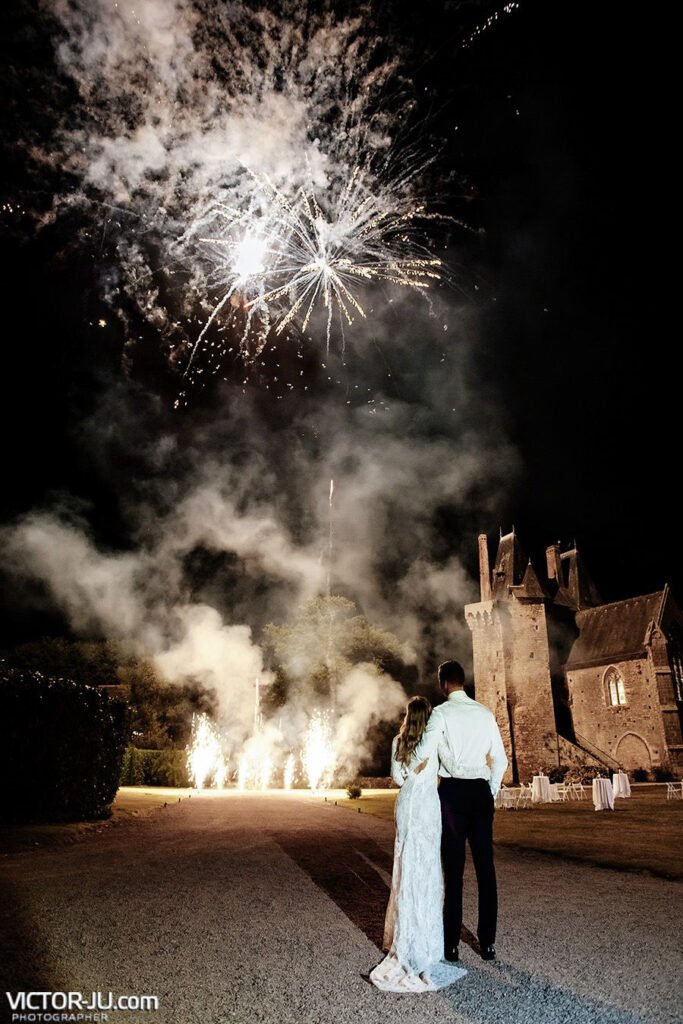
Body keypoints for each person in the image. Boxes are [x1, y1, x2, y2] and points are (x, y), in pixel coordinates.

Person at [411, 660, 508, 963]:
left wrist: (403, 769)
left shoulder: (440, 714)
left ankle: (451, 944)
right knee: (485, 869)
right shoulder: (485, 714)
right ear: (463, 682)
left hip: (452, 794)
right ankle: (488, 943)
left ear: (443, 684)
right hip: (479, 792)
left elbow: (423, 753)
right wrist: (489, 791)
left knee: (453, 872)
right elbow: (500, 761)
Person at [370, 697, 467, 993]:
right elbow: (451, 766)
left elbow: (398, 778)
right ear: (427, 717)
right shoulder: (434, 739)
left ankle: (406, 938)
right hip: (426, 806)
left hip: (407, 804)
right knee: (426, 870)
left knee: (406, 867)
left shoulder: (399, 740)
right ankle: (424, 940)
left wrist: (411, 767)